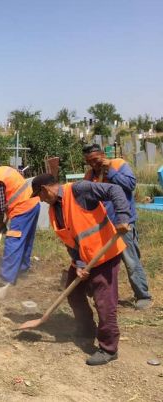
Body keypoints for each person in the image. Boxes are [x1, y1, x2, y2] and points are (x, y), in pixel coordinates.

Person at [31, 173, 131, 366]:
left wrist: (123, 217)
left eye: (39, 195)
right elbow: (71, 241)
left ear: (45, 189)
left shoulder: (79, 190)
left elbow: (115, 190)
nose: (41, 200)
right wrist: (80, 264)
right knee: (74, 293)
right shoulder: (54, 209)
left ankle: (108, 348)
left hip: (105, 255)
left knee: (104, 302)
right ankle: (86, 329)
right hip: (84, 258)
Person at [82, 143, 152, 309]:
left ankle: (143, 296)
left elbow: (130, 185)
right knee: (100, 261)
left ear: (102, 155)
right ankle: (101, 294)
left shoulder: (119, 165)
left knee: (131, 260)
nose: (93, 164)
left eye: (95, 159)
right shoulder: (90, 174)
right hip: (102, 225)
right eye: (89, 161)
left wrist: (110, 172)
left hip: (123, 222)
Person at [0, 162, 40, 289]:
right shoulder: (4, 169)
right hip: (33, 204)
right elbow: (18, 178)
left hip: (22, 209)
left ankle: (5, 278)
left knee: (13, 241)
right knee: (26, 239)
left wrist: (0, 223)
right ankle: (22, 270)